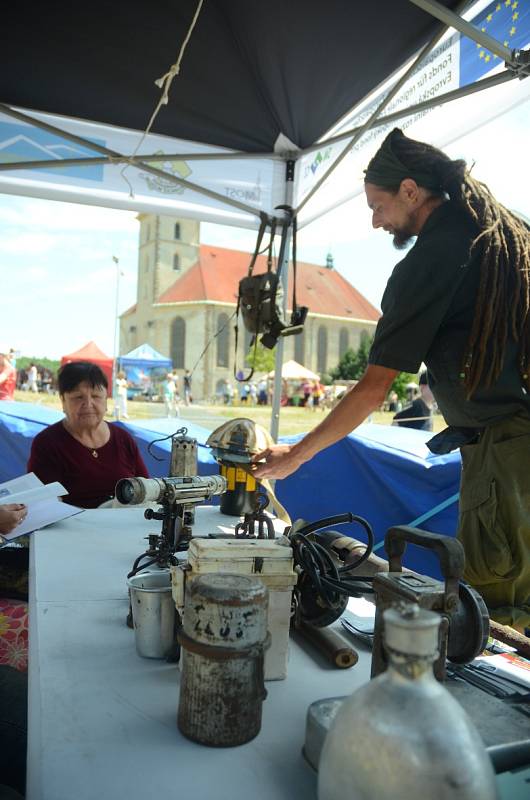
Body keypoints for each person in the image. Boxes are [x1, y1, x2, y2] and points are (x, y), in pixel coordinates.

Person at [254, 127, 530, 632]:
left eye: (377, 205)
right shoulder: (506, 238)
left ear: (410, 191)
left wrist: (295, 457)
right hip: (511, 443)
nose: (375, 221)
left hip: (506, 454)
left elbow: (374, 387)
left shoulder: (430, 260)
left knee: (503, 608)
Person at [27, 361, 148, 508]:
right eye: (78, 397)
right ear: (63, 401)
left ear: (106, 401)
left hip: (124, 524)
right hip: (71, 527)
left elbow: (145, 489)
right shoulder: (47, 443)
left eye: (96, 396)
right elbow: (44, 505)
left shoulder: (123, 439)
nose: (88, 404)